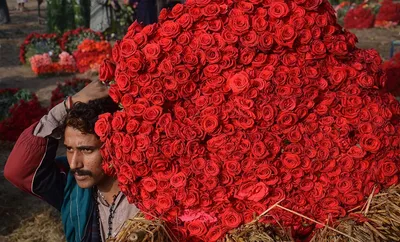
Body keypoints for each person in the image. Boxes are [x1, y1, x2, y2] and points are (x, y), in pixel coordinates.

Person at [5, 81, 139, 242]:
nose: (74, 163)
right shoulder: (72, 189)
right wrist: (68, 105)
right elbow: (18, 171)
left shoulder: (150, 194)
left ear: (114, 144)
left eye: (86, 150)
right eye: (69, 149)